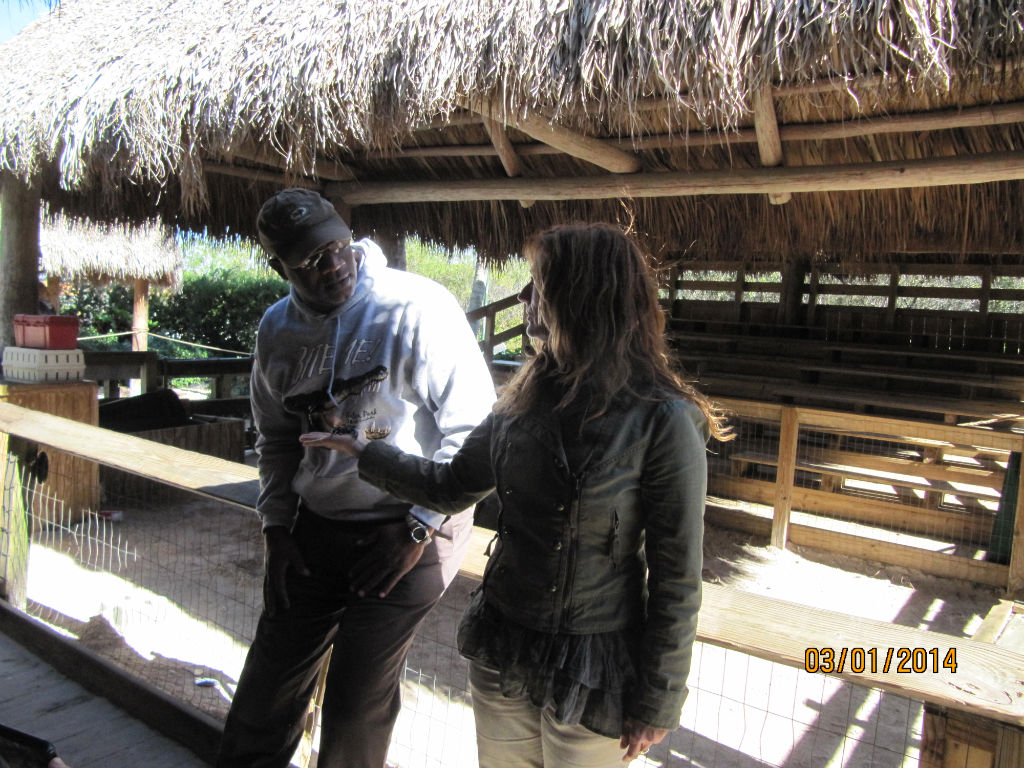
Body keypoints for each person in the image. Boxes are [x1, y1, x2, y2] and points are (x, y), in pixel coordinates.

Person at [302, 222, 732, 767]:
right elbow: (451, 485)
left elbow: (677, 575)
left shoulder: (663, 420)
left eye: (539, 284)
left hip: (594, 666)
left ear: (583, 297)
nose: (525, 297)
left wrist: (660, 697)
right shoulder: (523, 399)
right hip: (502, 645)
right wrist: (364, 450)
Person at [217, 188, 495, 768]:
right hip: (319, 523)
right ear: (279, 268)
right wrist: (276, 530)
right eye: (311, 262)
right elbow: (275, 438)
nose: (334, 267)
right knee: (266, 690)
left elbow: (474, 432)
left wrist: (418, 529)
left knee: (354, 701)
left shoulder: (417, 308)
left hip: (414, 522)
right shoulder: (278, 331)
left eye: (338, 248)